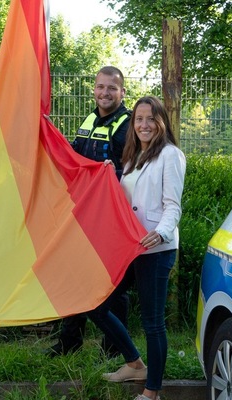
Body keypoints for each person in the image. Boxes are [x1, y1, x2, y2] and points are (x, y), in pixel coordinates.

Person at [88, 96, 186, 400]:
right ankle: (134, 363)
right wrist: (107, 175)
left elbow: (173, 206)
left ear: (162, 122)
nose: (144, 124)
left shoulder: (170, 155)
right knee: (96, 305)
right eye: (139, 119)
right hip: (128, 247)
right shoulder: (132, 156)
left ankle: (151, 392)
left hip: (155, 250)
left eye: (150, 118)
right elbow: (123, 200)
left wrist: (161, 233)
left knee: (152, 323)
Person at [45, 66, 132, 358]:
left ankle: (114, 349)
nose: (105, 93)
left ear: (122, 92)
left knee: (114, 284)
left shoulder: (128, 124)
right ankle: (70, 342)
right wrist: (49, 135)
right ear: (93, 89)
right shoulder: (91, 118)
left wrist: (113, 173)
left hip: (113, 218)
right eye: (100, 87)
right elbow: (75, 156)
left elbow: (135, 170)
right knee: (75, 276)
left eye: (112, 88)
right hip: (84, 214)